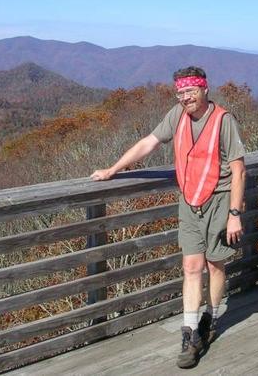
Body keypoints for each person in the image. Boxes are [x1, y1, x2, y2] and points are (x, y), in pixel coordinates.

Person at [91, 66, 247, 368]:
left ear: (204, 89)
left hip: (220, 200)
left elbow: (239, 170)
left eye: (190, 91)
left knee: (215, 266)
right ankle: (189, 333)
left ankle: (210, 320)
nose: (185, 97)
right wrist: (113, 169)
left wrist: (235, 215)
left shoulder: (223, 120)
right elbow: (148, 143)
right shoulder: (176, 115)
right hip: (189, 202)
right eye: (180, 92)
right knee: (191, 266)